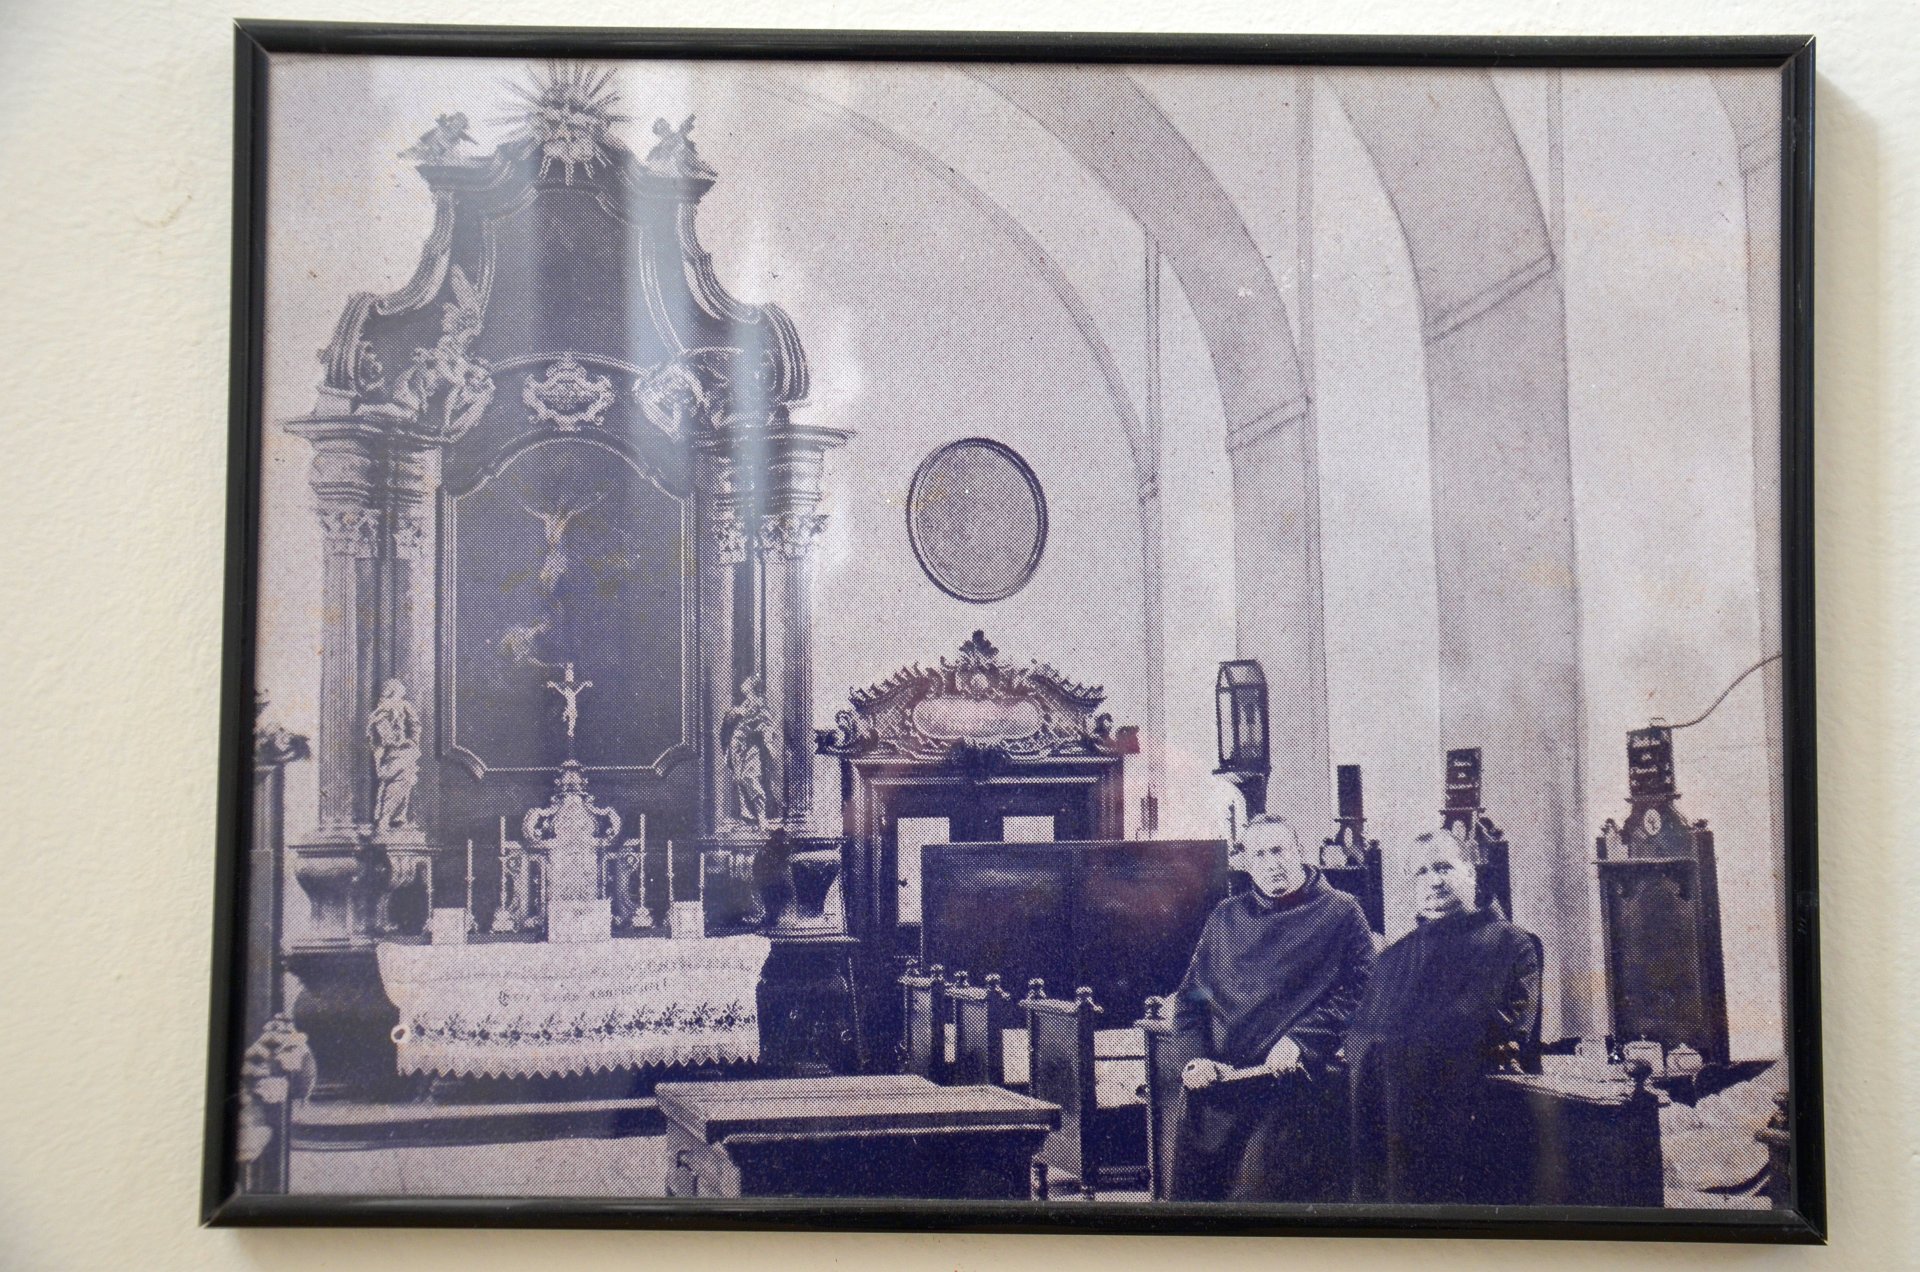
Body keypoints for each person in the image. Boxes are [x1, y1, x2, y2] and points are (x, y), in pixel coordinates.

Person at [1167, 814, 1378, 1202]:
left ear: (1299, 851)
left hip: (1291, 1090)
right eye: (1259, 855)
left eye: (1279, 850)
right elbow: (1190, 1000)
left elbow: (1362, 991)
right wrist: (1195, 1059)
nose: (1271, 863)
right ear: (1247, 864)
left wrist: (1301, 1040)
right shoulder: (1225, 916)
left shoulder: (1342, 912)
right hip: (1219, 1086)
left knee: (1259, 1202)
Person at [1345, 833, 1541, 1205]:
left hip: (1469, 1121)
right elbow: (1359, 1039)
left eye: (1443, 867)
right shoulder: (1391, 959)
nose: (1433, 880)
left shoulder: (1510, 944)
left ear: (1470, 873)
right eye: (1421, 872)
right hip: (1387, 1127)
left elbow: (1499, 1030)